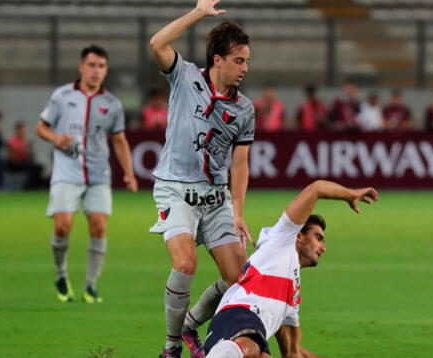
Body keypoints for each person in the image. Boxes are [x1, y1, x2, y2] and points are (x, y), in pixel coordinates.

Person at [148, 1, 255, 357]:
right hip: (175, 189)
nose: (245, 68)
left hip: (214, 198)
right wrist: (196, 13)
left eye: (247, 61)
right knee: (184, 263)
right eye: (239, 60)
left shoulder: (244, 108)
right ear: (218, 60)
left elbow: (240, 165)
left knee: (239, 278)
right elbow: (157, 44)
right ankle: (172, 346)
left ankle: (192, 323)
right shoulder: (185, 76)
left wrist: (238, 212)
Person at [204, 180, 378, 358]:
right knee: (250, 347)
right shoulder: (282, 240)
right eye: (318, 238)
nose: (323, 248)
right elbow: (316, 188)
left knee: (256, 350)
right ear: (300, 236)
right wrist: (350, 194)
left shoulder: (292, 297)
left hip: (240, 338)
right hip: (238, 315)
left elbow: (292, 353)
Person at [35, 45, 138, 304]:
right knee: (63, 225)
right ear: (81, 67)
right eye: (91, 65)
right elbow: (41, 128)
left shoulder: (112, 103)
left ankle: (90, 285)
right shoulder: (62, 96)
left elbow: (119, 140)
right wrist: (56, 137)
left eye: (101, 66)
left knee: (99, 224)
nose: (96, 71)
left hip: (98, 173)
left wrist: (129, 173)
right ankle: (61, 274)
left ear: (106, 70)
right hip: (66, 170)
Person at [7, 121, 44, 189]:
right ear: (18, 130)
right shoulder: (13, 140)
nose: (24, 131)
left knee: (38, 167)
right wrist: (22, 146)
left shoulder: (24, 140)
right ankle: (28, 187)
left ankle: (35, 186)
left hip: (24, 162)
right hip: (15, 163)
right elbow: (11, 154)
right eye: (22, 129)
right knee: (32, 168)